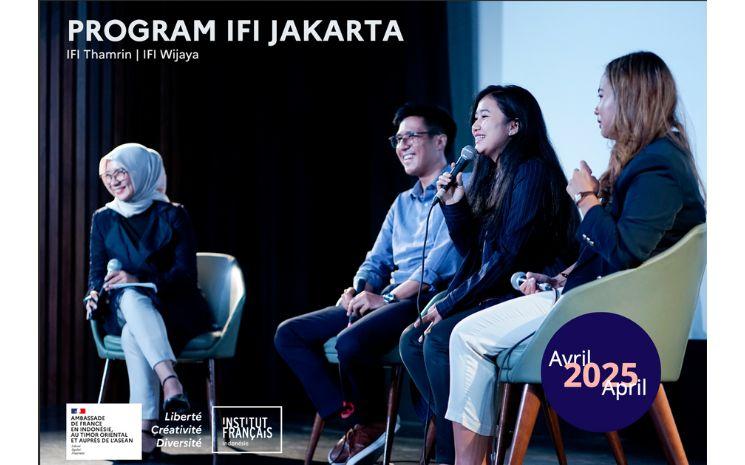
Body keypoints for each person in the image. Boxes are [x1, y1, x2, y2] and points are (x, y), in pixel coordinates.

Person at [446, 51, 707, 465]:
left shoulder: (657, 165)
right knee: (466, 332)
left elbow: (625, 252)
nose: (596, 107)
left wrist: (586, 198)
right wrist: (561, 277)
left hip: (614, 313)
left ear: (631, 98)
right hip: (589, 297)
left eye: (602, 95)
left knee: (466, 336)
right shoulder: (653, 159)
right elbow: (617, 254)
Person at [398, 85, 579, 465]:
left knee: (438, 338)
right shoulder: (491, 173)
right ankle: (466, 444)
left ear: (514, 125)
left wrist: (449, 304)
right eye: (474, 118)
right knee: (412, 340)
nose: (475, 126)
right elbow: (475, 252)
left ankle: (454, 455)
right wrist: (455, 205)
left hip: (531, 292)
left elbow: (507, 256)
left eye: (484, 116)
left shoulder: (531, 171)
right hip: (500, 286)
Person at [274, 103, 463, 465]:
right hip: (387, 298)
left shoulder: (459, 189)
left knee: (350, 342)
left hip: (423, 300)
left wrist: (387, 298)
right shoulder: (402, 202)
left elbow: (440, 262)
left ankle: (373, 422)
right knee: (290, 333)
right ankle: (350, 416)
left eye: (411, 136)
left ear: (440, 141)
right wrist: (361, 288)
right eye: (398, 139)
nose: (402, 146)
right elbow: (376, 259)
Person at [85, 143, 214, 457]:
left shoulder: (173, 215)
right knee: (130, 298)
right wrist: (93, 293)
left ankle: (146, 427)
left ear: (141, 172)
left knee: (134, 328)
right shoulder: (103, 218)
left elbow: (185, 274)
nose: (114, 181)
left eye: (121, 172)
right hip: (123, 308)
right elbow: (96, 272)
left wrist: (136, 278)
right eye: (107, 176)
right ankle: (170, 381)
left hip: (173, 307)